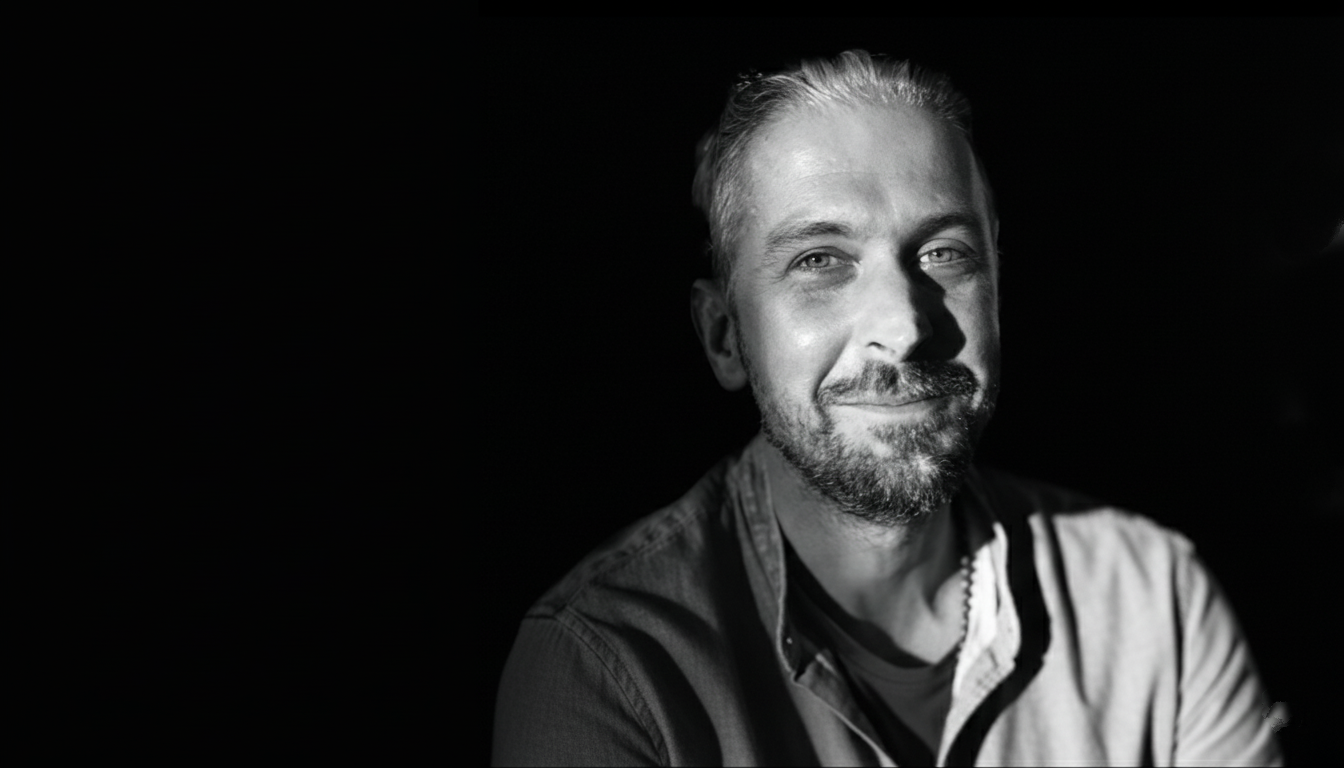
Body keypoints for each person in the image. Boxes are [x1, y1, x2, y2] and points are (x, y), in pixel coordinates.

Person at [492, 50, 1281, 766]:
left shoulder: (1155, 602)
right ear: (726, 337)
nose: (902, 328)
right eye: (820, 261)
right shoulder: (605, 665)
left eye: (943, 253)